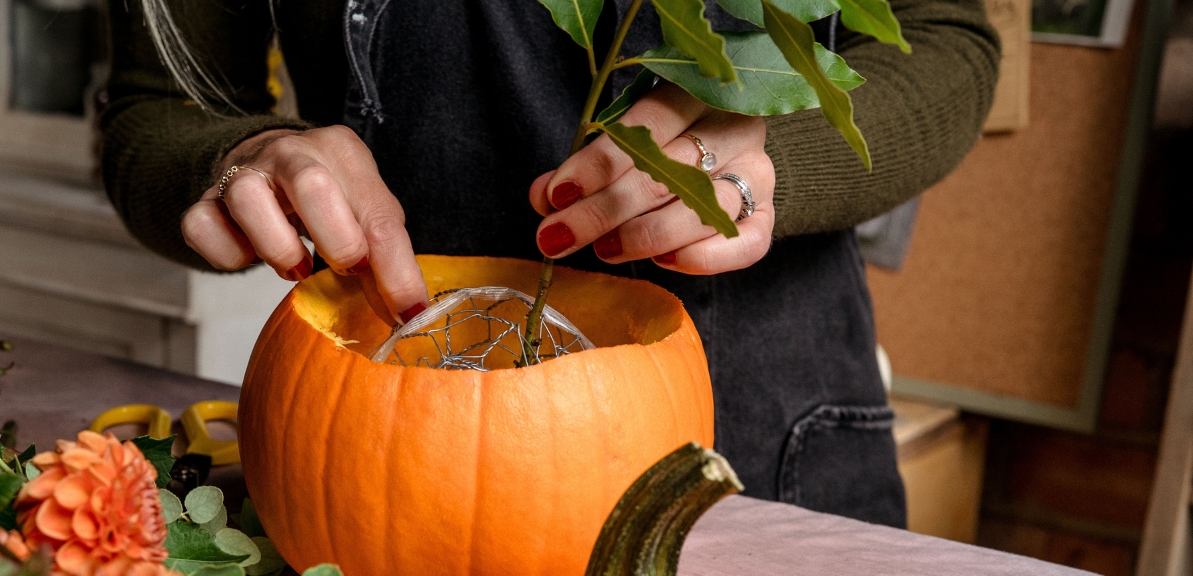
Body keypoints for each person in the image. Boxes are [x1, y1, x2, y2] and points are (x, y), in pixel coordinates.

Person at [98, 0, 1000, 528]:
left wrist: (777, 161)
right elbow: (159, 105)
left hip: (757, 444)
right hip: (383, 467)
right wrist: (235, 158)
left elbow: (947, 39)